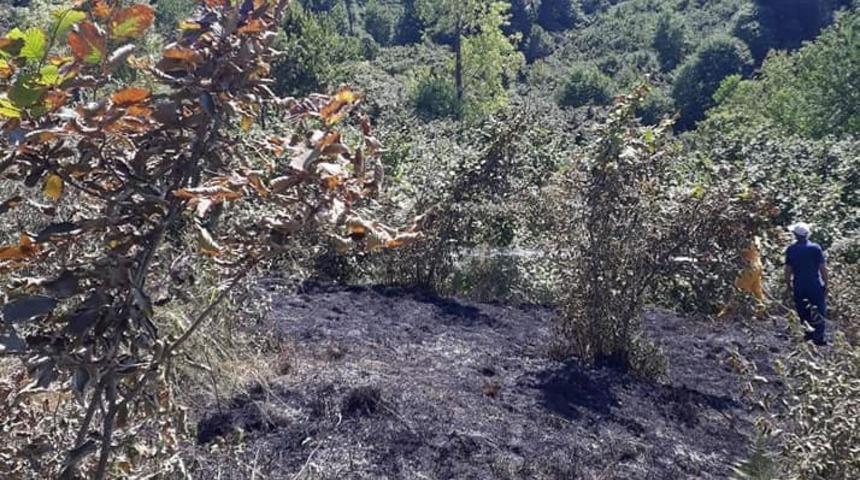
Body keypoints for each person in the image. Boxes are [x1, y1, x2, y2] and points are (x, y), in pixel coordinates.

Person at [784, 222, 829, 346]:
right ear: (807, 234)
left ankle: (807, 335)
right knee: (819, 310)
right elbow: (822, 268)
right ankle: (819, 338)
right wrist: (826, 283)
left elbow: (788, 269)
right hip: (814, 284)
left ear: (795, 235)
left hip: (799, 284)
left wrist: (788, 284)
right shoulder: (815, 248)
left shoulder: (791, 249)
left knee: (802, 310)